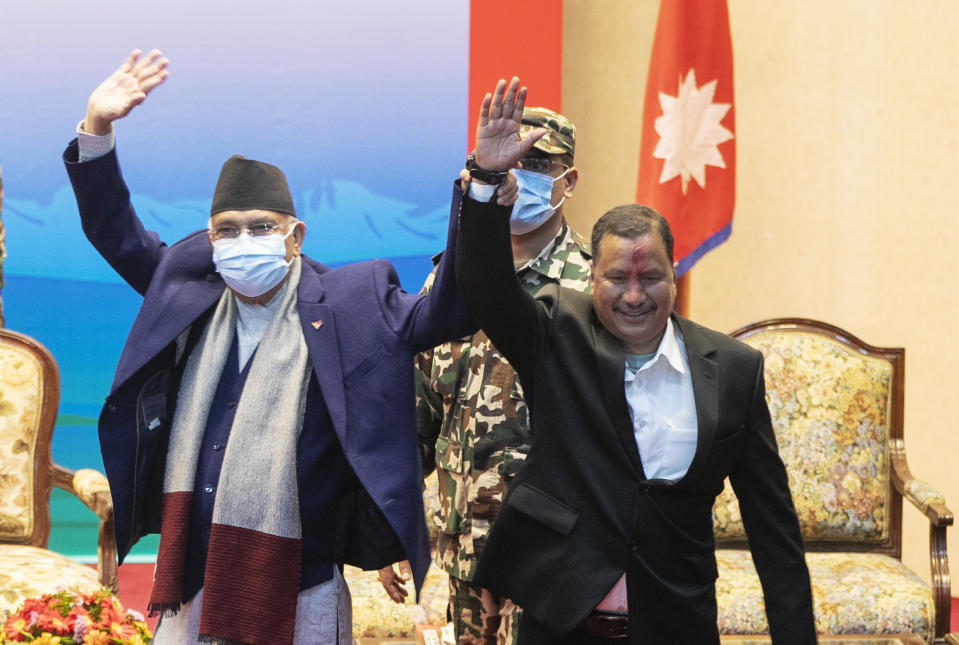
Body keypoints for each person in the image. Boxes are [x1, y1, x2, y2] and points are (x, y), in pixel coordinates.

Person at [61, 50, 515, 645]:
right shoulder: (192, 290)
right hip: (190, 580)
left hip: (301, 588)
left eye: (260, 227)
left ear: (295, 236)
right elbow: (116, 233)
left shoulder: (351, 302)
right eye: (227, 229)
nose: (241, 242)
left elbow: (452, 308)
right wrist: (97, 128)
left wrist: (481, 186)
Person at [454, 77, 817, 644]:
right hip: (561, 623)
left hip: (675, 625)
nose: (632, 295)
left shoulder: (734, 371)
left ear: (675, 276)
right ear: (588, 276)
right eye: (615, 278)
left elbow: (774, 531)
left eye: (650, 277)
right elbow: (485, 288)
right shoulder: (556, 332)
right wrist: (485, 182)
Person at [377, 107, 591, 644]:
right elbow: (415, 418)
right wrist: (389, 525)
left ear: (570, 180)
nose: (519, 173)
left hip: (554, 550)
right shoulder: (445, 283)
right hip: (462, 546)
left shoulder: (594, 287)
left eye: (537, 161)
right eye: (509, 160)